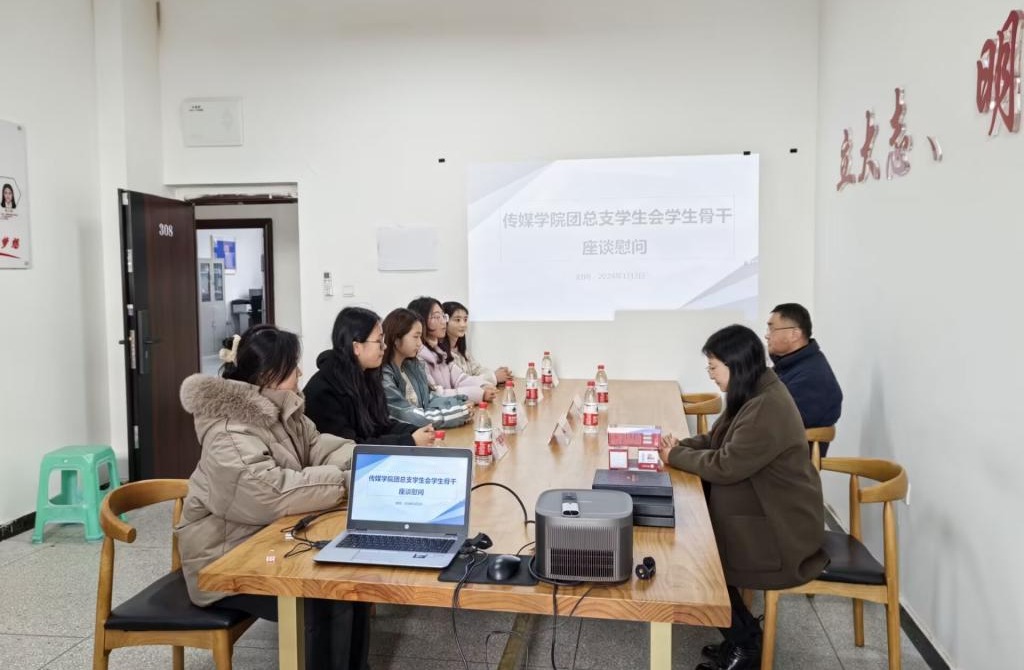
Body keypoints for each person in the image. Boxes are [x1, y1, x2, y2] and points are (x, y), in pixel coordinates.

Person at [175, 325, 370, 669]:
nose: (300, 373)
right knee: (326, 595)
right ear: (269, 375)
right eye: (293, 367)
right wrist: (344, 482)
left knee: (350, 581)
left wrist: (370, 464)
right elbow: (270, 492)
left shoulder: (281, 410)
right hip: (224, 561)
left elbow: (318, 447)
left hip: (267, 542)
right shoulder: (227, 430)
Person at [659, 325, 828, 670]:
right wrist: (679, 447)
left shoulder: (766, 407)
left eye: (713, 367)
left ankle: (746, 644)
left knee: (701, 560)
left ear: (735, 365)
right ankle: (744, 635)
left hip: (782, 530)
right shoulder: (752, 392)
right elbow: (717, 441)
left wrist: (674, 456)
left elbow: (726, 465)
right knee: (697, 547)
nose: (710, 375)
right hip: (763, 510)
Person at [305, 306, 436, 446]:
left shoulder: (366, 377)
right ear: (356, 347)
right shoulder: (323, 392)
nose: (384, 346)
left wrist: (415, 431)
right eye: (378, 341)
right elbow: (351, 448)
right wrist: (410, 440)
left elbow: (381, 425)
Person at [765, 303, 843, 455]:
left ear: (794, 334)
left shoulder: (813, 378)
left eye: (772, 329)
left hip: (785, 464)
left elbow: (770, 423)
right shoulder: (791, 366)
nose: (767, 335)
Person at [381, 307, 474, 428]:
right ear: (396, 339)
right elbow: (409, 416)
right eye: (416, 337)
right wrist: (457, 413)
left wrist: (459, 403)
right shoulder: (384, 376)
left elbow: (428, 399)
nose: (420, 343)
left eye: (421, 337)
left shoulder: (413, 367)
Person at [407, 296, 497, 403]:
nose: (443, 321)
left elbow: (460, 379)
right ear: (421, 320)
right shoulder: (418, 357)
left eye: (443, 316)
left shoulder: (440, 352)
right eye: (437, 317)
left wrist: (483, 385)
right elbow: (436, 394)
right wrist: (479, 393)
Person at [440, 300, 511, 386]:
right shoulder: (442, 354)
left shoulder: (461, 350)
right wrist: (494, 377)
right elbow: (463, 382)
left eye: (465, 320)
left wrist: (496, 374)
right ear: (444, 321)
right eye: (457, 320)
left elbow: (477, 369)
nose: (463, 324)